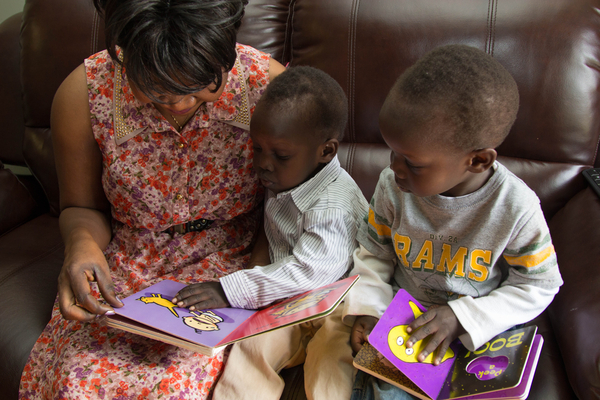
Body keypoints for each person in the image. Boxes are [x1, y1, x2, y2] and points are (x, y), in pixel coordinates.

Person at [18, 0, 286, 398]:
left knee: (182, 382)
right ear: (124, 53)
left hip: (235, 264)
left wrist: (253, 284)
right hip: (128, 263)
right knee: (77, 380)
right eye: (156, 89)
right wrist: (81, 248)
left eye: (201, 86)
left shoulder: (269, 88)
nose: (178, 103)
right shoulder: (85, 94)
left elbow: (284, 208)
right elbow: (82, 207)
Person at [341, 44, 564, 400]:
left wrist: (462, 317)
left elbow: (538, 286)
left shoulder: (516, 208)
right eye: (392, 152)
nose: (395, 168)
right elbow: (373, 253)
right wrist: (369, 310)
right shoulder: (391, 187)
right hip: (403, 323)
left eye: (412, 163)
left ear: (477, 161)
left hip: (472, 329)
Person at [172, 66, 369, 400]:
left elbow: (311, 272)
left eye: (279, 155)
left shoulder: (333, 205)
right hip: (288, 305)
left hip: (338, 307)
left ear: (326, 152)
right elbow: (273, 234)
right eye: (257, 148)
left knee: (330, 363)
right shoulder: (287, 175)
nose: (263, 163)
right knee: (250, 349)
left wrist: (232, 289)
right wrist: (255, 273)